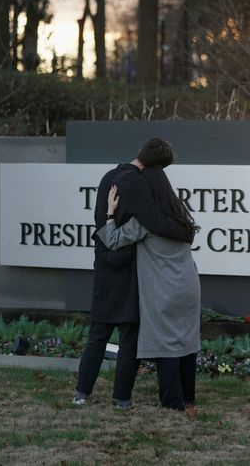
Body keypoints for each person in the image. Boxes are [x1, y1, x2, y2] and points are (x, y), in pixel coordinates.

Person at [73, 138, 192, 409]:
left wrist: (110, 217)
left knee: (98, 333)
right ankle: (122, 398)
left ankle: (82, 393)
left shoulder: (109, 176)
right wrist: (185, 230)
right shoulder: (137, 182)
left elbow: (101, 221)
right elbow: (153, 221)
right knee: (129, 336)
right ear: (155, 165)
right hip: (128, 266)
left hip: (103, 263)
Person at [97, 166, 201, 414]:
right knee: (186, 343)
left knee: (165, 345)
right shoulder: (180, 214)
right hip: (189, 285)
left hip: (163, 290)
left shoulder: (146, 220)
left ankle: (172, 402)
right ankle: (188, 398)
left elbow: (112, 240)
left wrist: (110, 213)